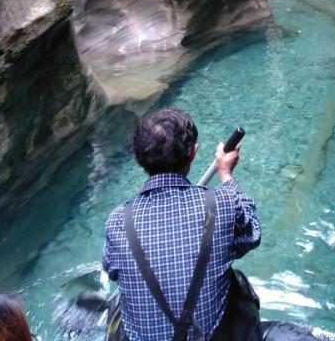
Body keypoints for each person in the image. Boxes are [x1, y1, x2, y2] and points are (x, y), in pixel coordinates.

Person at [103, 108, 261, 341]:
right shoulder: (221, 203)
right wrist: (226, 174)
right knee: (237, 281)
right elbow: (251, 235)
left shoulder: (118, 221)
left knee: (123, 295)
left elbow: (112, 270)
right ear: (193, 153)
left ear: (137, 157)